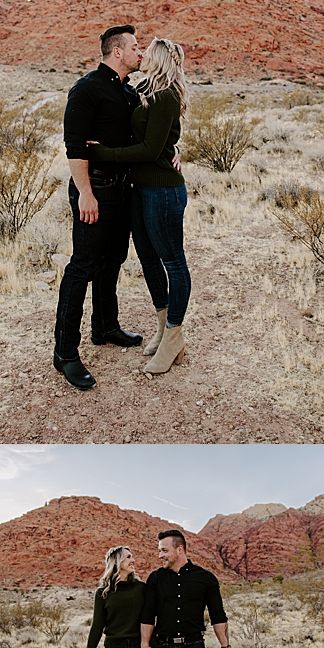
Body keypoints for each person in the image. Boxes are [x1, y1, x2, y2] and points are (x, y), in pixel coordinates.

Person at [85, 37, 191, 375]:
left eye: (147, 51)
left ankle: (174, 335)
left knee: (173, 262)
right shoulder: (145, 89)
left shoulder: (165, 95)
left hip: (163, 191)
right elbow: (152, 139)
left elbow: (148, 149)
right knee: (147, 258)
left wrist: (103, 153)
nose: (141, 53)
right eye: (138, 48)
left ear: (160, 58)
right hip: (141, 189)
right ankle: (163, 326)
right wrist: (173, 146)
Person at [52, 25, 145, 391]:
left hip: (123, 190)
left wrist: (172, 149)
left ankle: (105, 328)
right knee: (83, 267)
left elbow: (142, 135)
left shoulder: (128, 92)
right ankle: (65, 354)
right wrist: (85, 193)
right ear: (117, 52)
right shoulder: (87, 88)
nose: (141, 52)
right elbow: (75, 146)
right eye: (136, 47)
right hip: (97, 189)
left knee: (113, 260)